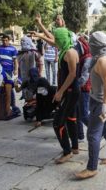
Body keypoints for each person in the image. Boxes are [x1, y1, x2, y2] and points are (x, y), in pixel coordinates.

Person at [34, 14, 80, 164]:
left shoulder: (70, 53)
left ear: (62, 39)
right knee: (71, 118)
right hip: (70, 90)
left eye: (57, 39)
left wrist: (60, 92)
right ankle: (74, 147)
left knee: (57, 122)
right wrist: (40, 26)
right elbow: (51, 39)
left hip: (71, 91)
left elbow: (72, 74)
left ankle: (67, 152)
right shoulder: (65, 47)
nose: (55, 42)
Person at [75, 31, 106, 180]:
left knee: (93, 134)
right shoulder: (98, 57)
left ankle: (92, 168)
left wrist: (105, 105)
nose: (89, 45)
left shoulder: (102, 61)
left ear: (96, 46)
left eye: (91, 43)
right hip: (98, 99)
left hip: (101, 102)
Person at [75, 35, 92, 142]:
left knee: (84, 115)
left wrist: (76, 84)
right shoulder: (83, 57)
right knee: (78, 113)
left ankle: (99, 130)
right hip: (81, 89)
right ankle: (80, 135)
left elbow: (85, 77)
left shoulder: (87, 58)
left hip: (84, 89)